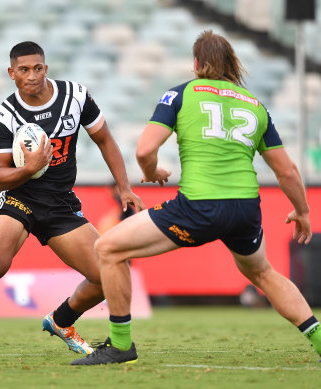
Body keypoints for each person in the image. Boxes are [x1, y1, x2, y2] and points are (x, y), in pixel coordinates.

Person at [71, 30, 321, 365]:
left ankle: (120, 345)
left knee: (108, 249)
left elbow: (145, 150)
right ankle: (318, 338)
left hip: (199, 206)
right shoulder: (255, 106)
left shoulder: (181, 95)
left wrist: (154, 170)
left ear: (197, 63)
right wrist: (302, 211)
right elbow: (287, 171)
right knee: (263, 273)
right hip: (246, 209)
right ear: (232, 64)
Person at [0, 41, 144, 359]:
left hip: (60, 202)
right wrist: (32, 167)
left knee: (108, 275)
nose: (32, 75)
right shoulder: (6, 114)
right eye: (23, 70)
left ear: (46, 68)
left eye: (37, 68)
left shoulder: (75, 96)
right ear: (11, 73)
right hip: (19, 197)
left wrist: (124, 187)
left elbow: (104, 139)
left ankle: (62, 321)